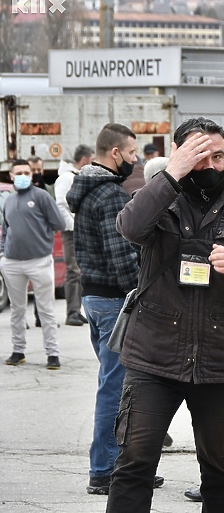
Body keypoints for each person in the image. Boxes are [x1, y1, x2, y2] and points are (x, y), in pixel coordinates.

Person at [107, 117, 224, 512]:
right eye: (198, 156)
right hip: (154, 356)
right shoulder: (160, 198)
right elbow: (130, 226)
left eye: (218, 156)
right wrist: (170, 175)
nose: (209, 165)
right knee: (135, 463)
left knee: (221, 467)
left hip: (219, 361)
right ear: (179, 155)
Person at [66, 123, 144, 495]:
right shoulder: (111, 193)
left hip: (93, 299)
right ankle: (104, 470)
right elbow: (122, 260)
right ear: (115, 153)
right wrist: (143, 295)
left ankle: (121, 466)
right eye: (131, 154)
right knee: (116, 389)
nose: (135, 160)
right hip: (114, 301)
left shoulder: (84, 189)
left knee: (118, 385)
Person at [1, 159, 65, 369]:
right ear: (11, 176)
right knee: (17, 310)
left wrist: (43, 241)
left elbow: (59, 223)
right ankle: (18, 351)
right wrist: (3, 254)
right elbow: (6, 229)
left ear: (31, 175)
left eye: (26, 172)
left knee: (46, 310)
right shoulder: (9, 201)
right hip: (12, 263)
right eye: (18, 172)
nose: (22, 176)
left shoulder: (41, 196)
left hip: (39, 261)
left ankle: (52, 354)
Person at [55, 144, 94, 327]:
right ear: (85, 159)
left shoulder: (74, 177)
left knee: (79, 271)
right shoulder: (66, 178)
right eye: (92, 159)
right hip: (71, 232)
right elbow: (62, 206)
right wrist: (73, 226)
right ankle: (71, 312)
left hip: (77, 231)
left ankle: (76, 311)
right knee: (73, 271)